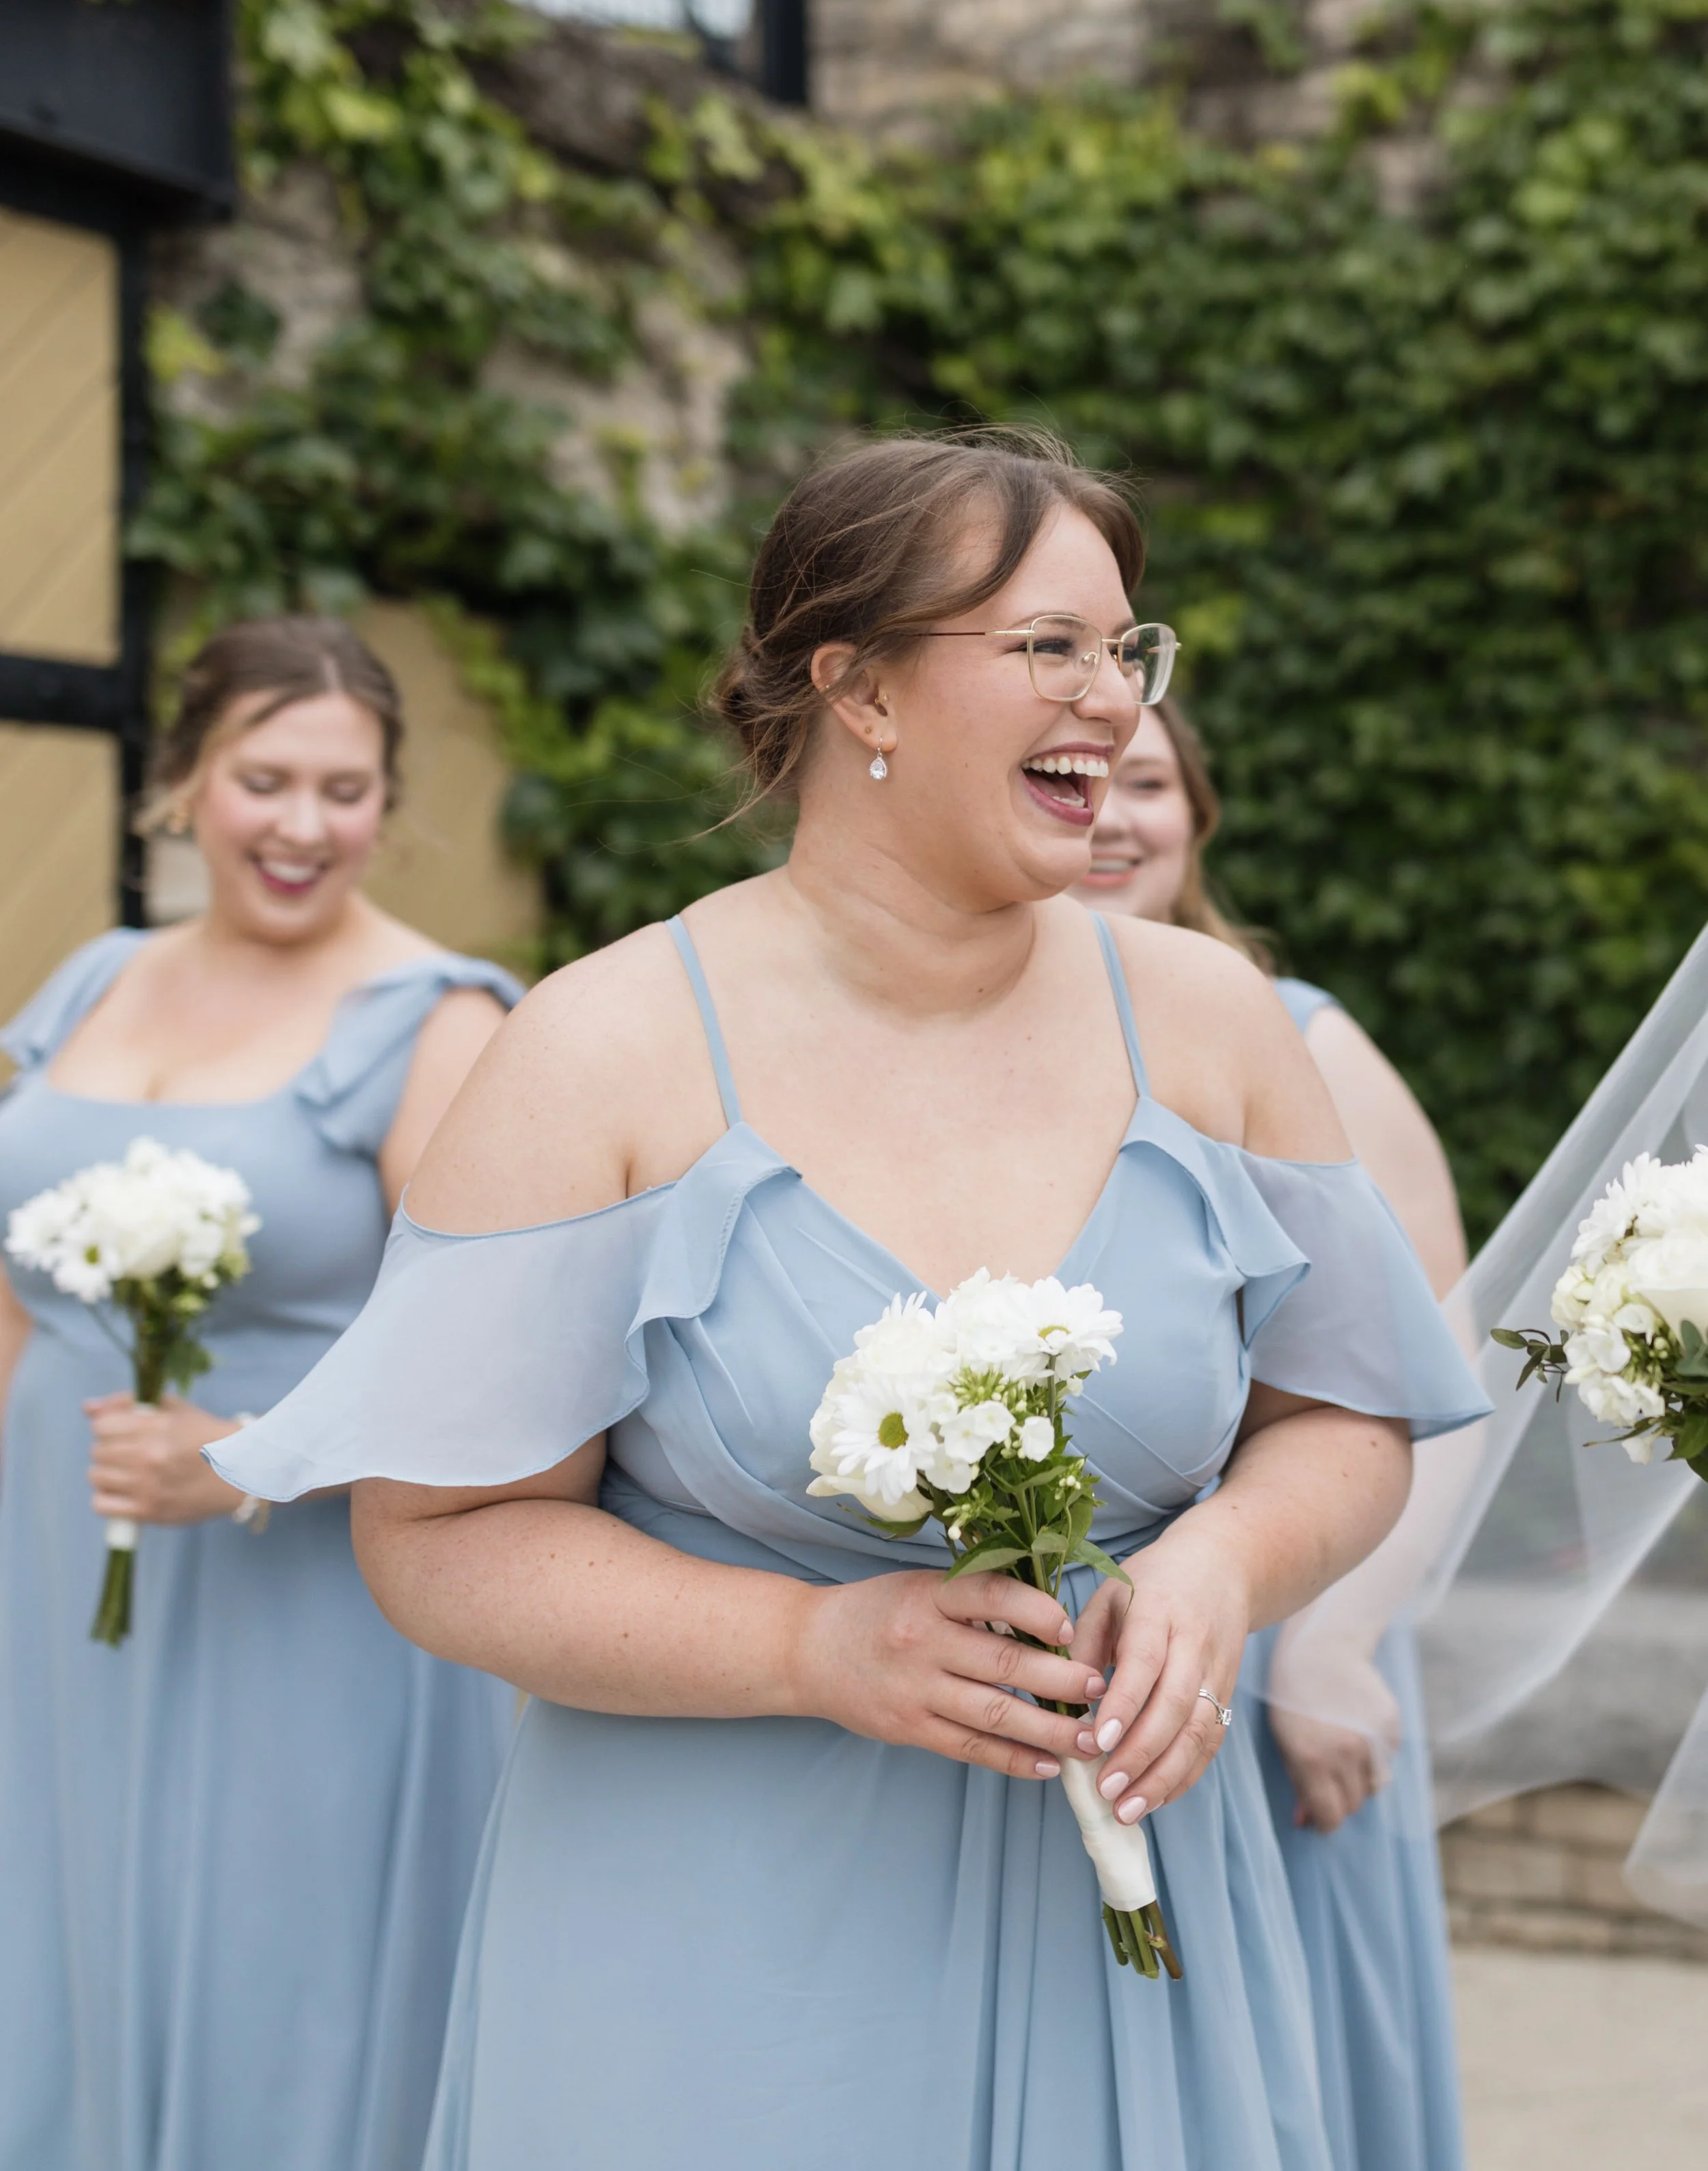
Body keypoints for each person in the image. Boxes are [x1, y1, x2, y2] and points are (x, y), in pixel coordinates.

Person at [213, 432, 1485, 2171]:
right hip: (707, 1939)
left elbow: (1343, 1418)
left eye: (1130, 650)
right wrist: (811, 1645)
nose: (1111, 700)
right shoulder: (599, 1052)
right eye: (1049, 646)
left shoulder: (1210, 1026)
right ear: (858, 688)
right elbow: (430, 1535)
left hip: (1122, 1901)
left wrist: (1221, 1564)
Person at [0, 617, 523, 2171]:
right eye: (266, 780)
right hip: (58, 1559)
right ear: (183, 784)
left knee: (275, 1965)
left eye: (346, 791)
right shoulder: (91, 976)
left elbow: (485, 1354)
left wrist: (248, 1460)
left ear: (388, 805)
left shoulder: (441, 1021)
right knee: (66, 1916)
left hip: (306, 1578)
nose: (304, 827)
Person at [1077, 695, 1470, 2171]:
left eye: (1150, 783)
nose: (1113, 813)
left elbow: (1434, 1379)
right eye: (1085, 781)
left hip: (1293, 1636)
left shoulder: (1301, 1044)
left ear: (1199, 818)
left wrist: (1332, 1647)